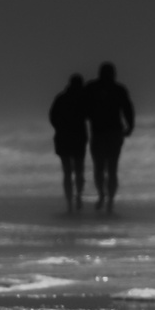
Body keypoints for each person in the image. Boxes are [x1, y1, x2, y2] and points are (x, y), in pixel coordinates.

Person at [82, 62, 135, 214]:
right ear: (113, 73)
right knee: (112, 169)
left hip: (99, 133)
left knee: (99, 168)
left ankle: (102, 195)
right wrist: (130, 126)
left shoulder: (91, 88)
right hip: (114, 133)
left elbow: (82, 109)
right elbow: (128, 109)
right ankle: (109, 199)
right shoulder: (118, 89)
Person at [48, 74, 88, 213]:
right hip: (78, 139)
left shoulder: (61, 98)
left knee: (67, 172)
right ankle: (78, 196)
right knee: (78, 170)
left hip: (63, 139)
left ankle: (70, 202)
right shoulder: (83, 99)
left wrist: (61, 128)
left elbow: (52, 117)